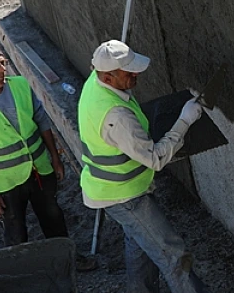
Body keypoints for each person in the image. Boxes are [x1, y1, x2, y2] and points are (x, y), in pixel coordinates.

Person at [78, 40, 208, 293]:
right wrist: (184, 121)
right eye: (129, 72)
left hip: (108, 187)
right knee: (173, 255)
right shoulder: (116, 116)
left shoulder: (95, 84)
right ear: (108, 76)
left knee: (139, 247)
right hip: (123, 195)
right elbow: (155, 159)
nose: (136, 74)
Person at [0, 45, 96, 272]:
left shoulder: (20, 85)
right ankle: (19, 275)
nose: (1, 69)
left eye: (3, 63)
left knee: (53, 218)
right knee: (15, 230)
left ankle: (68, 260)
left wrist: (55, 158)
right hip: (6, 182)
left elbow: (42, 121)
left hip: (39, 170)